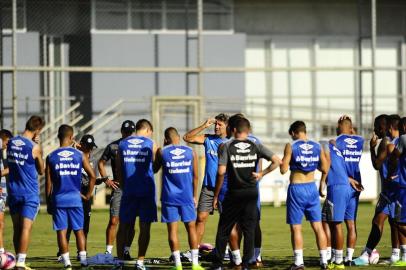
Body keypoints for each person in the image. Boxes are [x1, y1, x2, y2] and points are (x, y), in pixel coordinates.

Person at [211, 117, 280, 269]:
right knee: (249, 229)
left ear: (234, 129)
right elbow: (276, 160)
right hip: (251, 193)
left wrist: (216, 195)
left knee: (224, 229)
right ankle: (247, 264)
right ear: (247, 131)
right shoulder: (255, 145)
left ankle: (217, 265)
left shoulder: (226, 146)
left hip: (234, 192)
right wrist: (262, 173)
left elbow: (221, 172)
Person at [280, 121, 329, 270]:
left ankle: (299, 262)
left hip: (297, 189)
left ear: (294, 133)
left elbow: (283, 170)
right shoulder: (317, 146)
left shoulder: (291, 145)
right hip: (311, 188)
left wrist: (284, 162)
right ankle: (324, 261)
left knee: (296, 228)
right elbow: (325, 168)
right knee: (318, 227)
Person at [46, 125, 96, 270]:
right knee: (79, 230)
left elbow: (48, 184)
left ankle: (67, 262)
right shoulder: (79, 155)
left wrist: (49, 202)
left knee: (61, 230)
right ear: (71, 137)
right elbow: (92, 175)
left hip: (59, 198)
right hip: (75, 198)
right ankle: (83, 260)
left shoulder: (51, 156)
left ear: (58, 137)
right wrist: (87, 195)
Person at [353, 114, 401, 265]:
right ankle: (395, 255)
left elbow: (377, 165)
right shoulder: (397, 141)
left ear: (384, 127)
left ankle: (366, 254)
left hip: (392, 192)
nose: (375, 130)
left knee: (378, 221)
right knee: (395, 223)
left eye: (377, 127)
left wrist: (371, 148)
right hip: (394, 190)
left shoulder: (385, 142)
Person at [154, 127, 204, 270]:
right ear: (179, 137)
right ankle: (195, 264)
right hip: (187, 196)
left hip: (169, 197)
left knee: (172, 231)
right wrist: (194, 195)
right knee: (191, 228)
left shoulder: (162, 152)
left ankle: (178, 265)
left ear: (165, 139)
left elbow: (154, 169)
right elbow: (195, 176)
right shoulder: (191, 152)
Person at [116, 119, 158, 270]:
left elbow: (119, 169)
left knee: (123, 227)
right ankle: (140, 262)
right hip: (146, 191)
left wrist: (123, 186)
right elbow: (155, 166)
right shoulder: (151, 144)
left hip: (129, 191)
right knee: (144, 226)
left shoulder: (122, 144)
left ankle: (120, 263)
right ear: (147, 129)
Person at [183, 114, 229, 245]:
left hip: (225, 188)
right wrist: (204, 125)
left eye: (220, 125)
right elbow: (186, 137)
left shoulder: (230, 143)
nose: (216, 127)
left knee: (227, 220)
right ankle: (195, 252)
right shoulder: (208, 139)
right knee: (200, 218)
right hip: (208, 187)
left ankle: (229, 251)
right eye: (216, 124)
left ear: (227, 127)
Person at [7, 116, 45, 270]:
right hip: (29, 193)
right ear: (38, 130)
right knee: (25, 228)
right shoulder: (33, 147)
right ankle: (21, 263)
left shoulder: (11, 142)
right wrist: (39, 147)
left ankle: (18, 260)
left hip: (14, 191)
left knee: (17, 228)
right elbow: (41, 170)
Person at [319, 140, 363, 270]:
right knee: (339, 222)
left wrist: (321, 184)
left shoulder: (322, 147)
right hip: (348, 187)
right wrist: (350, 180)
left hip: (337, 187)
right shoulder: (337, 151)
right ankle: (343, 257)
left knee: (333, 223)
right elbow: (339, 170)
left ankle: (337, 260)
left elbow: (325, 166)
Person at [98, 120, 136, 258]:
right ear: (121, 132)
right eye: (126, 132)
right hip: (119, 188)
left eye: (130, 132)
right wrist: (106, 179)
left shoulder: (138, 147)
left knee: (130, 223)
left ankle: (126, 250)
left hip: (133, 189)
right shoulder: (113, 146)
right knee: (114, 220)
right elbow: (101, 162)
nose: (128, 135)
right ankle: (108, 252)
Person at [333, 115, 364, 265]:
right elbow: (353, 134)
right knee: (351, 223)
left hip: (343, 183)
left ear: (340, 127)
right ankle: (349, 258)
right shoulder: (360, 140)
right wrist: (350, 127)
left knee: (336, 222)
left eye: (338, 126)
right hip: (357, 184)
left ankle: (336, 258)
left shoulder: (335, 142)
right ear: (351, 129)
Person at [387, 117, 406, 267]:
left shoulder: (403, 139)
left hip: (403, 188)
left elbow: (394, 156)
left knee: (398, 222)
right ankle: (404, 256)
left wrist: (391, 173)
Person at [0, 129, 13, 255]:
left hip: (2, 192)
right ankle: (1, 251)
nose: (7, 145)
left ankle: (1, 250)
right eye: (7, 142)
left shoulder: (2, 153)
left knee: (1, 222)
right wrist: (12, 168)